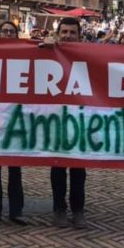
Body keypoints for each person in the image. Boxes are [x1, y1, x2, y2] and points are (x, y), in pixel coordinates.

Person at [42, 17, 87, 228]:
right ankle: (59, 208)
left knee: (79, 168)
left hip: (81, 119)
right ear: (58, 34)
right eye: (64, 32)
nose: (68, 36)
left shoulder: (91, 55)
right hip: (55, 119)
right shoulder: (47, 51)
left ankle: (78, 209)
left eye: (72, 32)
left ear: (80, 35)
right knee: (58, 167)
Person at [0, 21, 26, 226]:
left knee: (15, 167)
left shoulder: (27, 53)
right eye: (4, 31)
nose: (8, 34)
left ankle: (16, 210)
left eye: (12, 31)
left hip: (16, 117)